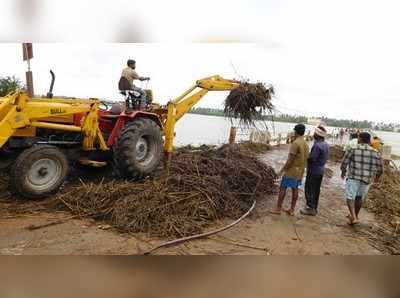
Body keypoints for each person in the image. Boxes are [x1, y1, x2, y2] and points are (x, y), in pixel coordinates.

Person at [340, 132, 383, 225]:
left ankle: (353, 216)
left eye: (358, 138)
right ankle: (355, 216)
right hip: (367, 179)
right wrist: (376, 178)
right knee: (359, 197)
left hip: (353, 177)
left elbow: (344, 163)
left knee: (350, 197)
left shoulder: (353, 149)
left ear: (360, 139)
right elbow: (380, 168)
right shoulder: (375, 152)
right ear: (369, 140)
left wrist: (343, 172)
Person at [270, 124, 310, 216]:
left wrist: (282, 171)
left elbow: (290, 160)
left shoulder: (295, 143)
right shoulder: (305, 144)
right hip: (300, 171)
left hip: (292, 171)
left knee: (283, 188)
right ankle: (292, 210)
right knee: (295, 189)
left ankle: (278, 208)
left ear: (295, 132)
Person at [301, 126, 329, 216]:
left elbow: (312, 158)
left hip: (314, 170)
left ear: (317, 135)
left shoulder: (317, 145)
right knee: (316, 190)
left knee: (309, 189)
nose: (313, 134)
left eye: (315, 133)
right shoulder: (325, 144)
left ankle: (311, 208)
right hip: (320, 170)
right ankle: (314, 207)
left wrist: (306, 157)